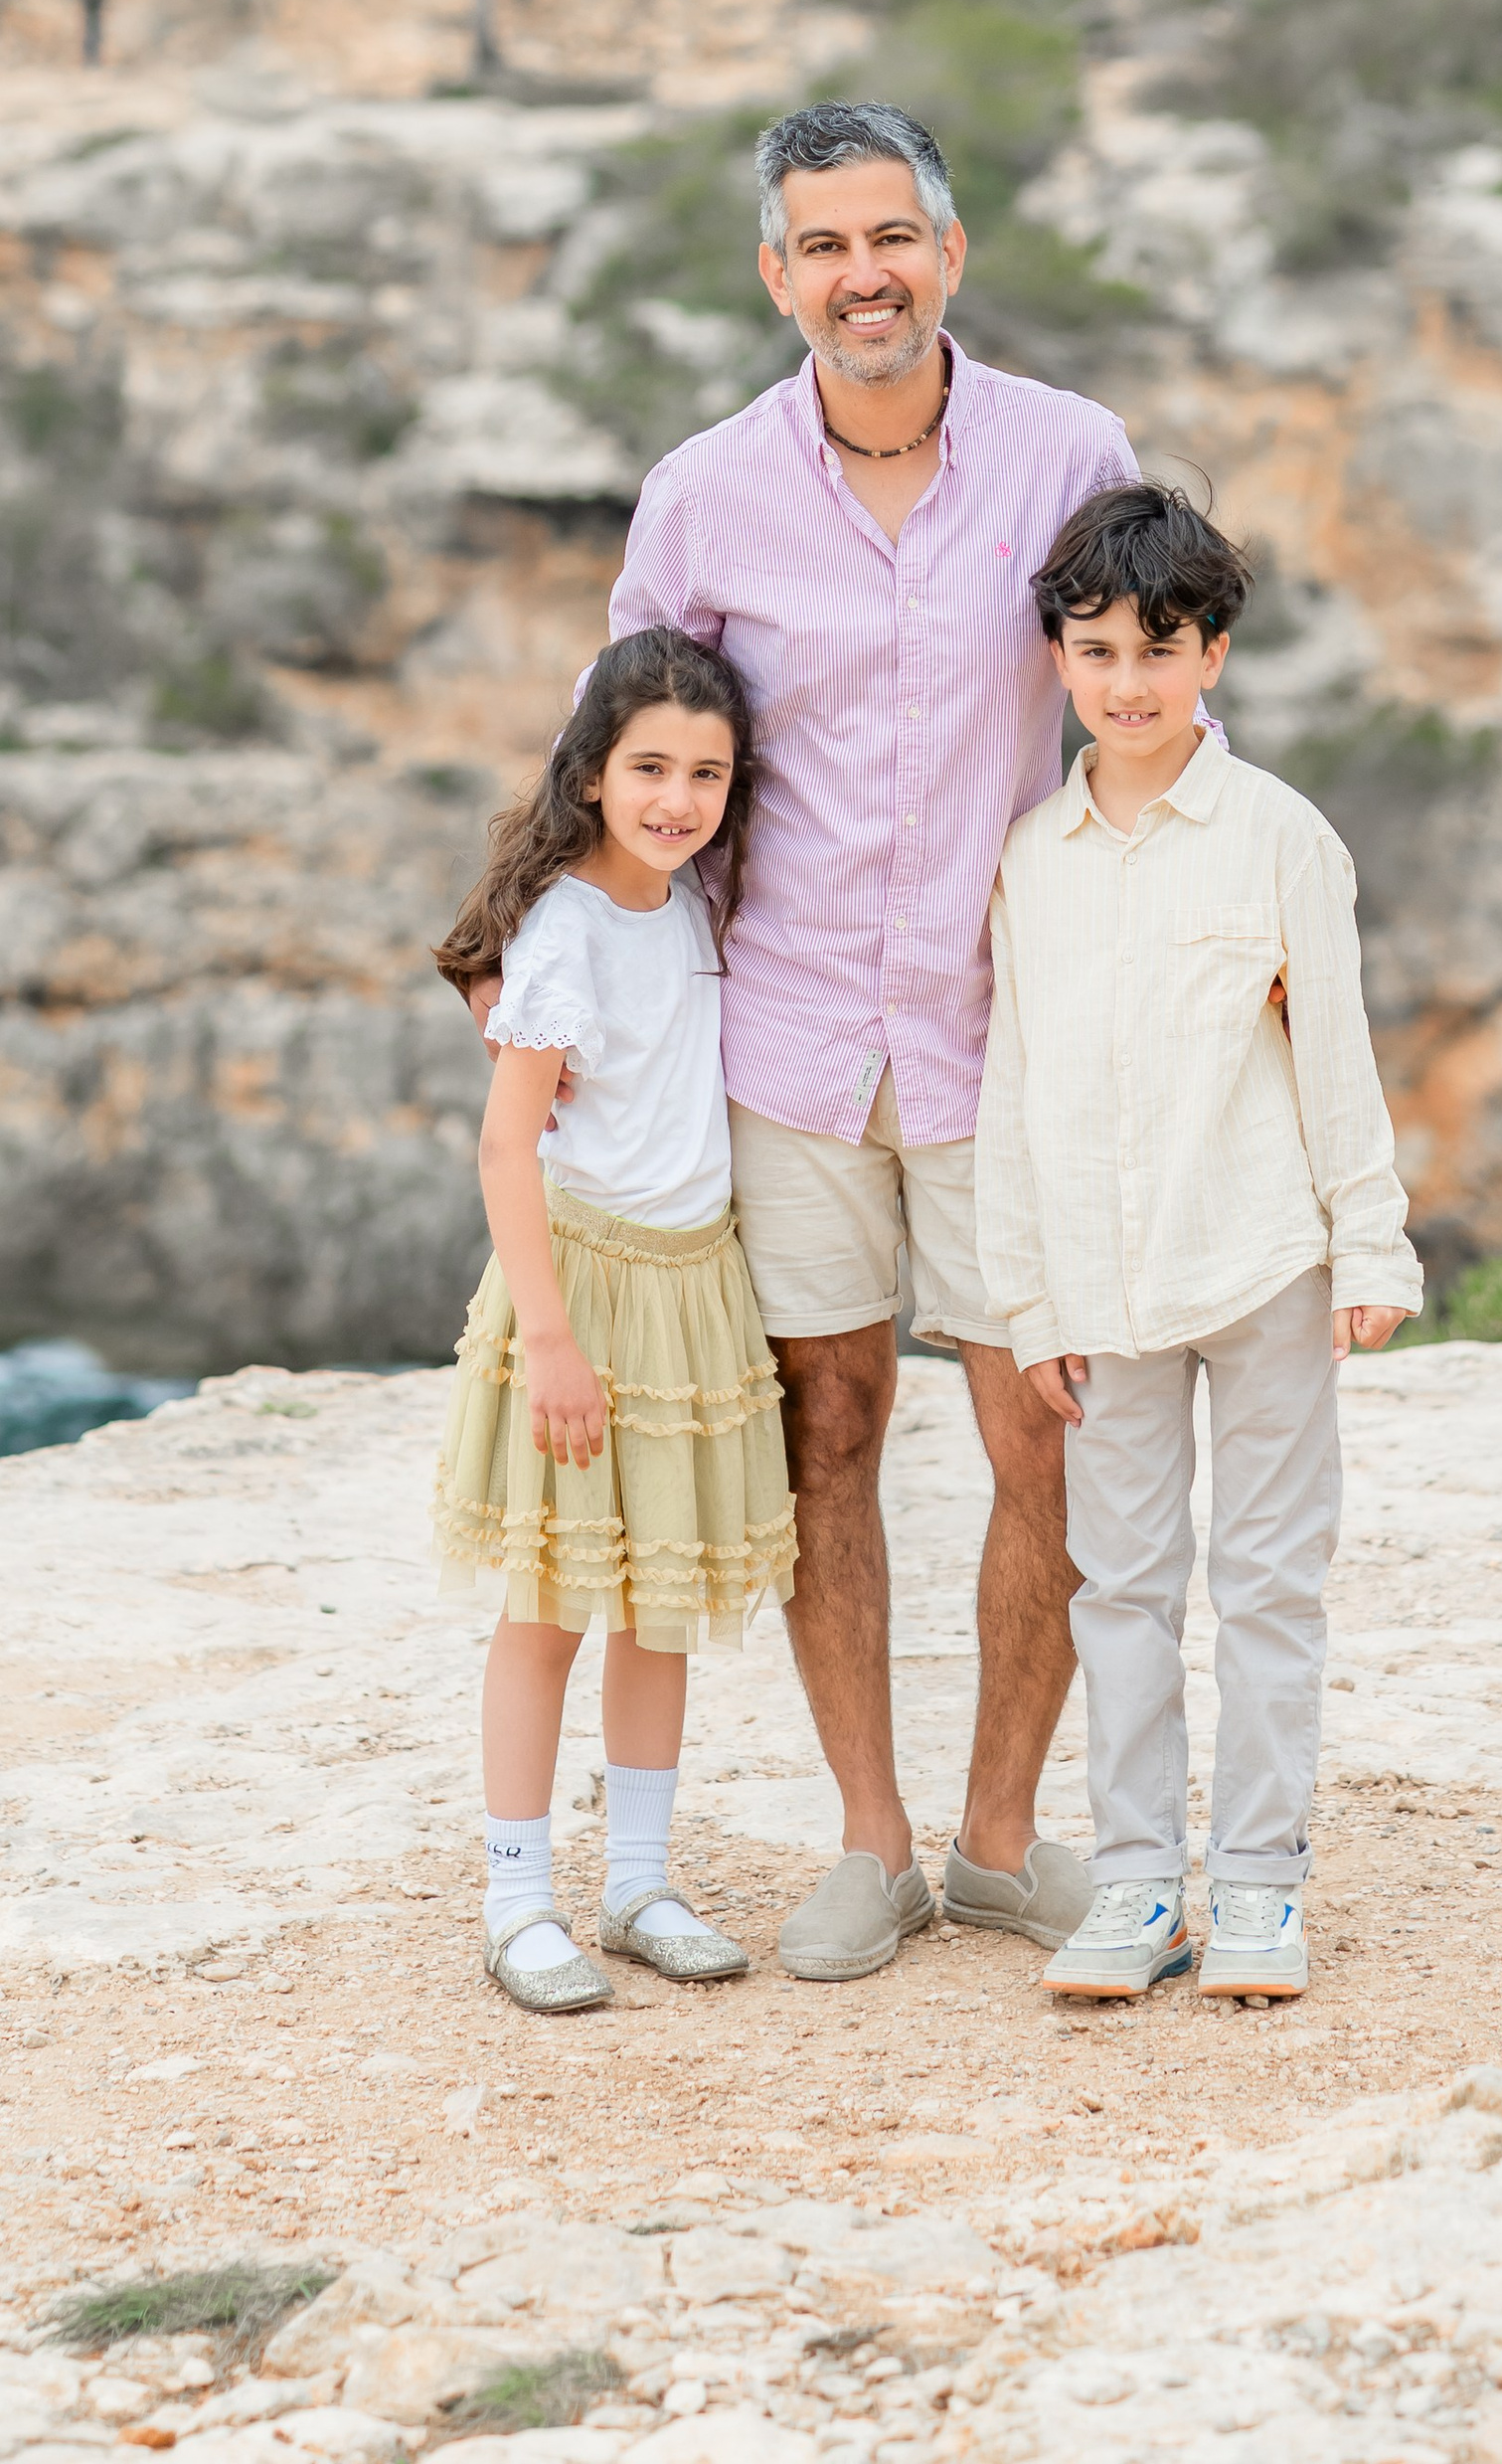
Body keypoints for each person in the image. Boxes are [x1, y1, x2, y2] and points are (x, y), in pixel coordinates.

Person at [600, 98, 1146, 1984]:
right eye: (823, 246)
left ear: (951, 249)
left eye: (891, 236)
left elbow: (1135, 690)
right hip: (792, 1035)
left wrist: (1223, 918)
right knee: (826, 1431)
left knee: (1048, 1442)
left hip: (1016, 1034)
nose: (864, 274)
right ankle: (872, 1838)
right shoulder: (704, 492)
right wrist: (554, 965)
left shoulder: (1069, 449)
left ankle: (1000, 1839)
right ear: (777, 276)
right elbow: (629, 758)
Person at [974, 484, 1421, 2004]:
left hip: (1263, 1263)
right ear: (1056, 656)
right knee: (1122, 1585)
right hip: (1100, 1284)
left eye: (1161, 648)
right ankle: (1137, 1884)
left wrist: (1372, 1247)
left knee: (1271, 1579)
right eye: (1096, 650)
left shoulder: (1280, 837)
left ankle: (1261, 1885)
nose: (1128, 680)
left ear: (1215, 652)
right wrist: (1024, 1294)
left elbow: (1334, 1052)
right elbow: (1014, 1081)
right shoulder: (1033, 856)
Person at [431, 628, 795, 2016]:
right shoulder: (570, 927)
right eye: (649, 764)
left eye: (706, 771)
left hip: (696, 1280)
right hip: (580, 1288)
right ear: (593, 772)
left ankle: (638, 1880)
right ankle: (518, 1894)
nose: (677, 794)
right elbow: (504, 1147)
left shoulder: (696, 899)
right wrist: (554, 1341)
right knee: (549, 1603)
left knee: (662, 1608)